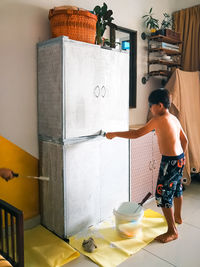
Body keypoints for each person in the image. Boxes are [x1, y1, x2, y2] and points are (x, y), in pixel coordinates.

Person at [106, 88, 188, 243]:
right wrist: (180, 158)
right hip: (179, 159)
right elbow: (185, 141)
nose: (150, 108)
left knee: (163, 195)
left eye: (151, 105)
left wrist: (114, 134)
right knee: (177, 189)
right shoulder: (174, 118)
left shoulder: (158, 120)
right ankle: (177, 217)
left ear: (160, 105)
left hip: (169, 162)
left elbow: (136, 134)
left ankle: (172, 231)